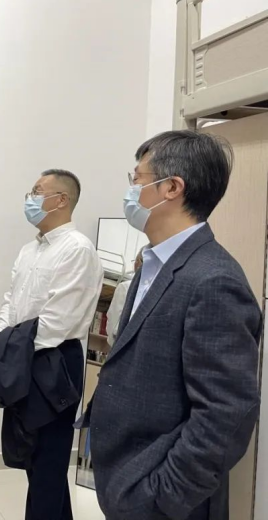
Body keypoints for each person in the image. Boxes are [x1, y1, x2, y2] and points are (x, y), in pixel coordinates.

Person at [84, 131, 261, 520]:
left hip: (165, 502)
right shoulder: (154, 263)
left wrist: (159, 497)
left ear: (171, 188)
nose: (131, 189)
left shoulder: (214, 280)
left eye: (137, 178)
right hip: (127, 480)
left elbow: (225, 416)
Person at [0, 169, 102, 520]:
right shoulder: (30, 250)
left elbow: (58, 323)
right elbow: (11, 302)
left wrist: (9, 348)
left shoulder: (77, 249)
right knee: (32, 458)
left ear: (61, 200)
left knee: (48, 466)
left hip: (55, 361)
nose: (30, 198)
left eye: (37, 191)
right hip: (22, 354)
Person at [106, 246, 144, 346]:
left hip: (120, 344)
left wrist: (112, 344)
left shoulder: (125, 287)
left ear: (138, 263)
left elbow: (113, 319)